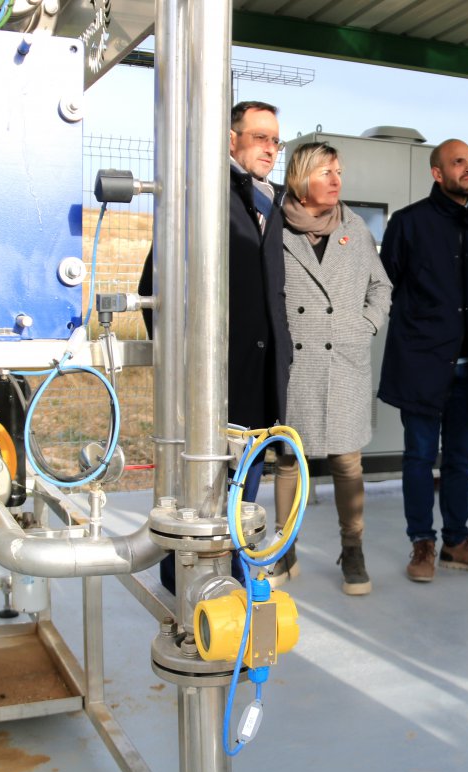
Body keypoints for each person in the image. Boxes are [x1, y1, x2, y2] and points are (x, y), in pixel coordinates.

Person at [139, 100, 294, 592]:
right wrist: (186, 367)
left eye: (276, 140)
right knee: (201, 490)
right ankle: (185, 583)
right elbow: (155, 287)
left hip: (260, 377)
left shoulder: (272, 201)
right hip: (214, 381)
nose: (270, 148)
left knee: (243, 490)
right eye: (259, 138)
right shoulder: (203, 196)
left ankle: (228, 582)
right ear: (231, 140)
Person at [378, 139, 468, 583]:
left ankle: (456, 541)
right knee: (418, 457)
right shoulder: (408, 223)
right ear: (438, 173)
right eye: (459, 163)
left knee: (458, 459)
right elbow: (384, 287)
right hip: (422, 363)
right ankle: (422, 544)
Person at [272, 142, 392, 596]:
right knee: (289, 460)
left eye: (338, 172)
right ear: (301, 179)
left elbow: (381, 286)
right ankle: (285, 549)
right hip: (297, 362)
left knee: (347, 462)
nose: (337, 180)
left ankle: (353, 550)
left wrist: (365, 324)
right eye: (326, 173)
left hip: (344, 359)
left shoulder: (354, 227)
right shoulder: (276, 226)